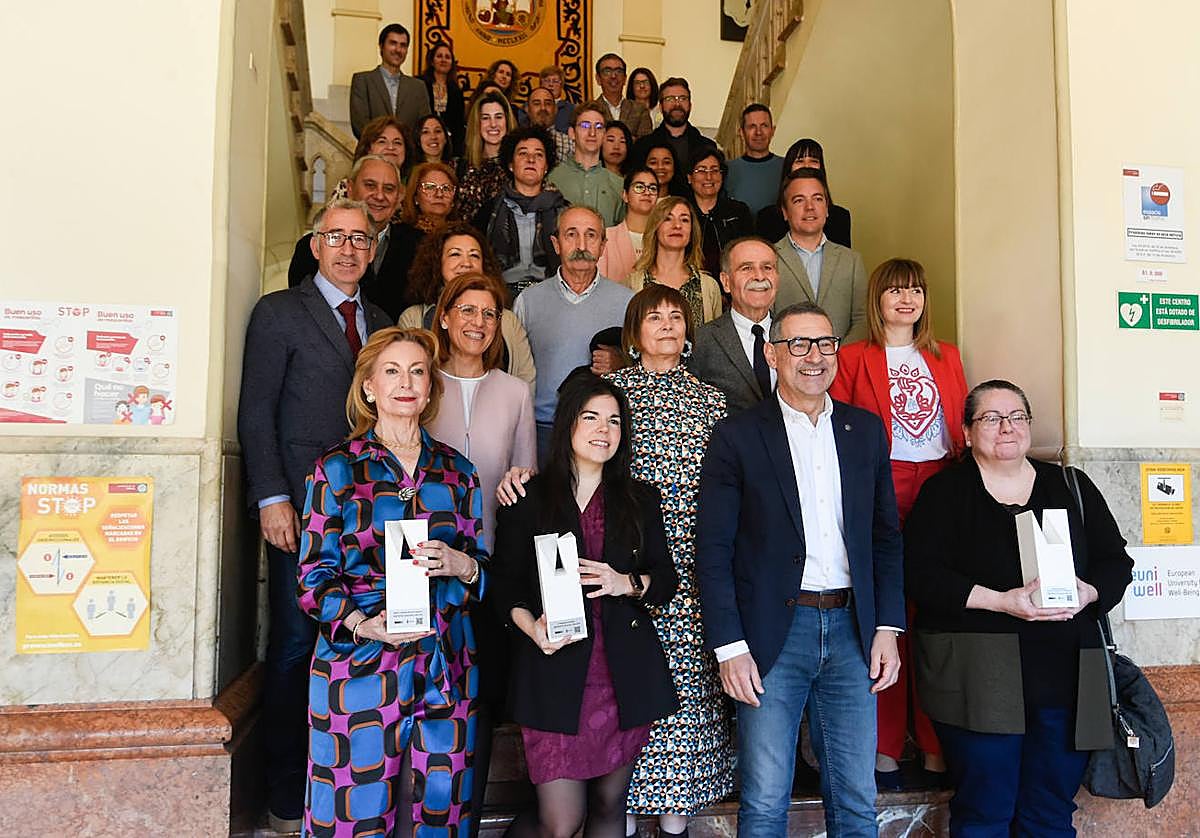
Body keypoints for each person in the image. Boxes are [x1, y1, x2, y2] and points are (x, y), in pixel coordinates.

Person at [695, 301, 905, 837]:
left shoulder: (865, 431)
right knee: (766, 801)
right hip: (772, 637)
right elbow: (713, 550)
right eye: (799, 344)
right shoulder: (738, 436)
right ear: (773, 355)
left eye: (825, 343)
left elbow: (885, 538)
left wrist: (887, 626)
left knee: (857, 800)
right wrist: (729, 646)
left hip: (853, 632)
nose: (815, 356)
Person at [904, 380, 1134, 836]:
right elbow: (919, 575)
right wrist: (1001, 602)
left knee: (1050, 811)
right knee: (984, 810)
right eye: (991, 418)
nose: (1006, 427)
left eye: (1016, 417)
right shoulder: (944, 492)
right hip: (978, 675)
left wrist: (1088, 592)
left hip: (1067, 673)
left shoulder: (1069, 484)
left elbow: (1115, 562)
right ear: (967, 432)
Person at [238, 199, 393, 832]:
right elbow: (256, 411)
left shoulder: (382, 321)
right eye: (337, 237)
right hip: (302, 513)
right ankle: (286, 793)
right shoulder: (278, 312)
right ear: (315, 244)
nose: (349, 249)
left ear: (373, 250)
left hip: (370, 516)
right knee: (298, 642)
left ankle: (352, 780)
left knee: (361, 640)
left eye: (361, 239)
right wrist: (271, 497)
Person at [298, 326, 488, 836]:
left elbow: (482, 571)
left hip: (444, 659)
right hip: (358, 660)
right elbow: (313, 577)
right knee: (354, 811)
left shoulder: (458, 471)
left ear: (429, 388)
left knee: (439, 808)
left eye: (417, 372)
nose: (406, 383)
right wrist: (362, 624)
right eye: (392, 371)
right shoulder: (338, 469)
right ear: (369, 387)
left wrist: (461, 565)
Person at [492, 373, 679, 838]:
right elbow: (505, 585)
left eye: (614, 421)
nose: (604, 430)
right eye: (591, 417)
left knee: (610, 804)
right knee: (561, 821)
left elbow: (666, 581)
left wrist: (624, 582)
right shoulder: (528, 497)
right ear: (568, 424)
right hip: (553, 671)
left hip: (622, 675)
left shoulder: (640, 500)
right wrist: (532, 628)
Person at [830, 257, 967, 790]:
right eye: (895, 291)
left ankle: (935, 744)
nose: (907, 299)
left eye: (915, 290)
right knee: (884, 612)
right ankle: (884, 744)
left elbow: (961, 429)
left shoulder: (947, 355)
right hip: (880, 485)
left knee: (932, 614)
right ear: (877, 299)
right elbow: (838, 432)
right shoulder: (852, 357)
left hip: (939, 486)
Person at [608, 287, 735, 837]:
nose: (666, 325)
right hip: (627, 562)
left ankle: (676, 817)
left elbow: (727, 487)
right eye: (654, 317)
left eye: (676, 317)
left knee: (687, 687)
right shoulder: (611, 394)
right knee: (628, 683)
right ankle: (622, 811)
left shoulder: (712, 401)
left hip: (693, 561)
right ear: (633, 332)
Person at [425, 272, 536, 832]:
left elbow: (527, 474)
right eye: (467, 310)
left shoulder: (515, 392)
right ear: (444, 317)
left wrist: (520, 480)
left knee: (484, 700)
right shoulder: (421, 384)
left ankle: (465, 818)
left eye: (490, 314)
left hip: (489, 568)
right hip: (423, 567)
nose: (478, 322)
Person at [513, 206, 634, 460]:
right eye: (571, 234)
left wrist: (622, 362)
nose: (581, 245)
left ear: (603, 245)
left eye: (591, 235)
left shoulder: (627, 302)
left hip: (603, 434)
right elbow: (514, 372)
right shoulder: (528, 301)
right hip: (542, 430)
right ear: (556, 244)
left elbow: (644, 369)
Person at [399, 222, 535, 388]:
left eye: (474, 256)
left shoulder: (507, 320)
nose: (466, 263)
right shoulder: (413, 318)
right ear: (437, 262)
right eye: (455, 254)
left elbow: (525, 380)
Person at [288, 156, 415, 320]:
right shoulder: (313, 245)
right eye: (370, 185)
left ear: (399, 196)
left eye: (389, 189)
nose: (379, 195)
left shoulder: (418, 246)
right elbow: (299, 309)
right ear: (350, 188)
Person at [773, 168, 868, 342]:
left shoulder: (851, 260)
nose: (810, 207)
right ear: (785, 212)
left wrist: (838, 354)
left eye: (817, 199)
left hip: (842, 356)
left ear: (827, 208)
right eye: (799, 200)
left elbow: (863, 319)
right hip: (787, 356)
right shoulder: (768, 259)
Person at [476, 126, 567, 298]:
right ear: (511, 165)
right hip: (499, 294)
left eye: (539, 155)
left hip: (553, 294)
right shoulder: (489, 211)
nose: (531, 159)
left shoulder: (564, 211)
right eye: (523, 153)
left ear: (546, 166)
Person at [690, 236, 778, 414]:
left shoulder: (796, 336)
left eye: (767, 267)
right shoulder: (700, 341)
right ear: (726, 282)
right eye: (747, 268)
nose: (759, 276)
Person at [628, 196, 723, 327]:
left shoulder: (709, 286)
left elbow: (715, 337)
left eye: (684, 220)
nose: (677, 226)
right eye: (668, 219)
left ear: (692, 230)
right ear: (655, 227)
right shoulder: (632, 284)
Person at [756, 138, 852, 247]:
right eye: (800, 161)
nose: (807, 166)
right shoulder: (767, 217)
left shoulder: (840, 217)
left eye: (813, 161)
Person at [630, 77, 717, 196]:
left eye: (682, 98)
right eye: (670, 99)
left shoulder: (707, 146)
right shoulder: (643, 146)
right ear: (661, 107)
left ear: (690, 105)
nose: (677, 104)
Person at [547, 102, 626, 227]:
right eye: (585, 125)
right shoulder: (552, 179)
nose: (592, 133)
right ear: (572, 133)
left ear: (604, 135)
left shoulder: (618, 185)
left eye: (598, 127)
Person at [350, 23, 430, 138]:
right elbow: (360, 125)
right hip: (372, 148)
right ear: (381, 46)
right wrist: (383, 144)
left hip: (408, 149)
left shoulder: (418, 87)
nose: (398, 50)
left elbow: (424, 127)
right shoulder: (362, 81)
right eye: (393, 43)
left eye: (403, 45)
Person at [687, 146, 754, 278]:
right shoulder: (681, 212)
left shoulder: (738, 211)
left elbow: (749, 253)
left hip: (732, 282)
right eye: (701, 170)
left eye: (714, 170)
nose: (709, 177)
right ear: (689, 177)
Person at [329, 116, 413, 209]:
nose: (391, 147)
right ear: (368, 149)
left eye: (397, 143)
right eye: (382, 142)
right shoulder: (347, 187)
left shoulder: (413, 187)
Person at [456, 91, 516, 222]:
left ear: (507, 120)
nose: (493, 124)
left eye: (498, 117)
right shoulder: (459, 168)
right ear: (477, 123)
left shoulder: (517, 169)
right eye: (485, 118)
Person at [596, 167, 659, 286]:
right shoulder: (607, 236)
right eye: (639, 187)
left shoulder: (662, 237)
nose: (647, 192)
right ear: (625, 195)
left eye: (652, 188)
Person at [726, 103, 784, 215]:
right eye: (752, 126)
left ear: (772, 131)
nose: (758, 132)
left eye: (764, 126)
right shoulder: (727, 170)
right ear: (741, 133)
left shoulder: (787, 167)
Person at [421, 43, 466, 157]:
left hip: (448, 146)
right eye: (439, 56)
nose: (443, 60)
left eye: (447, 57)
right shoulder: (420, 85)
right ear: (432, 61)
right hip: (423, 141)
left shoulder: (456, 91)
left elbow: (459, 125)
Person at [593, 53, 652, 139]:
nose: (613, 76)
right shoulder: (590, 110)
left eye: (618, 71)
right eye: (607, 71)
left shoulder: (640, 110)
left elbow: (646, 142)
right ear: (598, 78)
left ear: (625, 79)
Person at [402, 160, 458, 232]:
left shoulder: (464, 235)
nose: (439, 194)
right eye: (430, 187)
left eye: (446, 188)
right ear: (415, 197)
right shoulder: (399, 234)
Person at [526, 84, 574, 162]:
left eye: (548, 103)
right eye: (537, 104)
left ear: (555, 109)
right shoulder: (517, 143)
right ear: (527, 110)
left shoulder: (570, 144)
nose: (543, 108)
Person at [540, 64, 577, 133]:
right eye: (547, 81)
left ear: (561, 85)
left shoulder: (572, 109)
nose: (551, 84)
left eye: (555, 81)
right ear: (541, 84)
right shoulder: (529, 107)